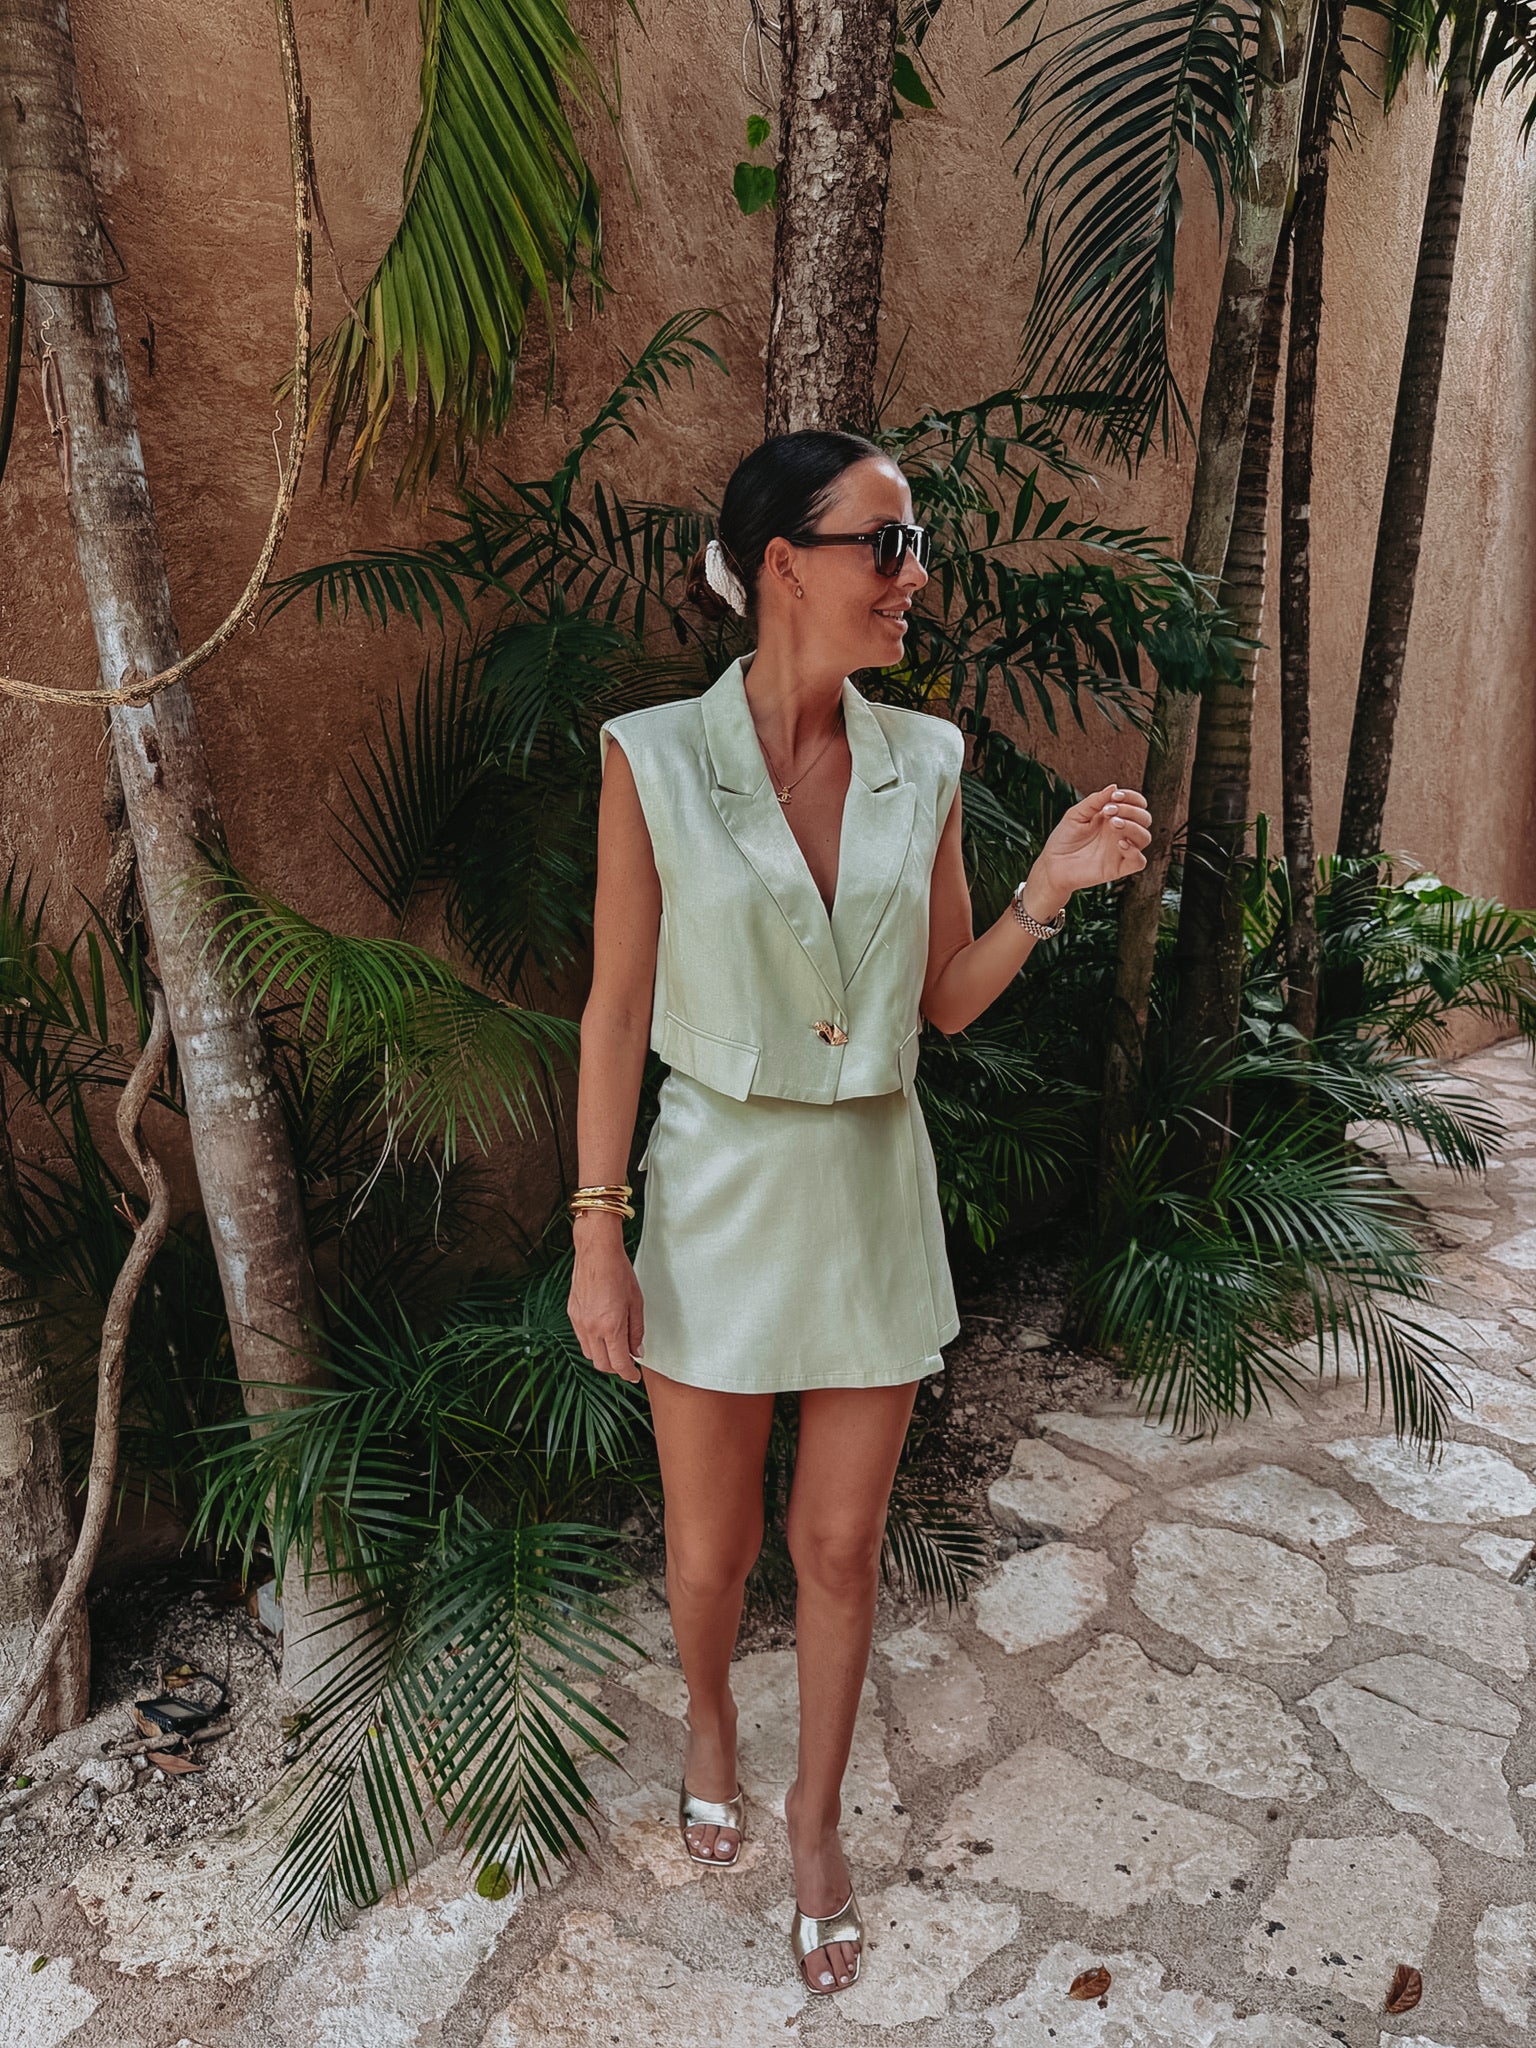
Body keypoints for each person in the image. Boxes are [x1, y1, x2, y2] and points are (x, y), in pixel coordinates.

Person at [566, 429, 1152, 1997]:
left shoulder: (929, 762)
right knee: (710, 1555)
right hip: (714, 1192)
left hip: (872, 1194)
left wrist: (1047, 889)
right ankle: (708, 1720)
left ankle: (816, 1820)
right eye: (887, 546)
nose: (914, 577)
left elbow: (944, 1002)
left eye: (917, 548)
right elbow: (615, 1011)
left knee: (837, 1547)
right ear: (784, 564)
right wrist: (598, 1230)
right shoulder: (651, 759)